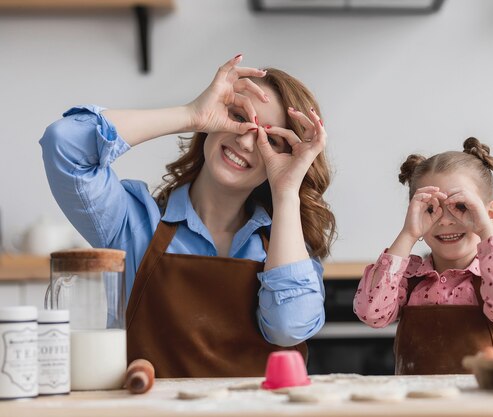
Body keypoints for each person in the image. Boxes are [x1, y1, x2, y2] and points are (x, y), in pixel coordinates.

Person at [40, 54, 336, 377]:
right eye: (239, 116)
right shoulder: (135, 225)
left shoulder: (286, 245)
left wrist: (286, 191)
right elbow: (63, 143)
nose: (247, 140)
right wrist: (191, 114)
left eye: (272, 139)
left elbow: (288, 329)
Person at [353, 137, 493, 375]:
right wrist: (408, 234)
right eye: (431, 209)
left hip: (480, 405)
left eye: (462, 207)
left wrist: (485, 228)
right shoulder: (409, 277)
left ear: (489, 213)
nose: (446, 220)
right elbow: (371, 313)